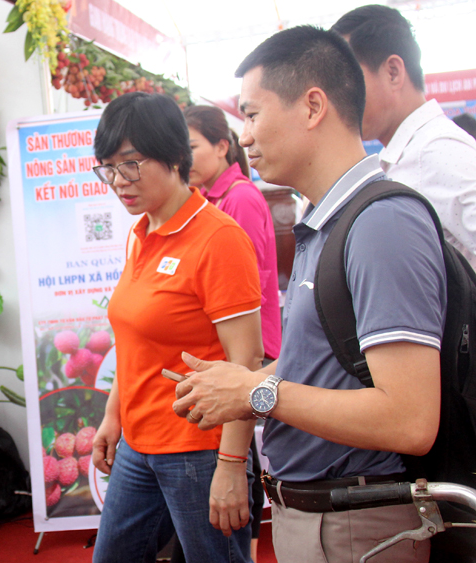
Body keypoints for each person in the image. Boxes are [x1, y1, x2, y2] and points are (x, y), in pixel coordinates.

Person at [173, 25, 445, 563]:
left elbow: (411, 420)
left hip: (354, 526)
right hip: (324, 519)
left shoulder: (380, 222)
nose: (244, 137)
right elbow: (323, 367)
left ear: (313, 106)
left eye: (252, 114)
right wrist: (245, 383)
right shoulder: (331, 222)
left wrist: (256, 394)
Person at [89, 91, 264, 563]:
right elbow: (134, 343)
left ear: (173, 156)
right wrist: (113, 416)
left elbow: (245, 364)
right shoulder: (140, 233)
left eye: (130, 164)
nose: (118, 181)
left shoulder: (218, 239)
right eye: (107, 168)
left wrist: (230, 466)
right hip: (138, 445)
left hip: (198, 449)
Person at [331, 5, 476, 264]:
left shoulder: (437, 152)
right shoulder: (409, 152)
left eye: (347, 80)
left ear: (393, 72)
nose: (339, 98)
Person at [184, 105, 281, 362]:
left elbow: (246, 284)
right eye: (180, 151)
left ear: (221, 147)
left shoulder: (240, 198)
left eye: (192, 148)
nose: (184, 159)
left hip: (251, 353)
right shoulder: (207, 199)